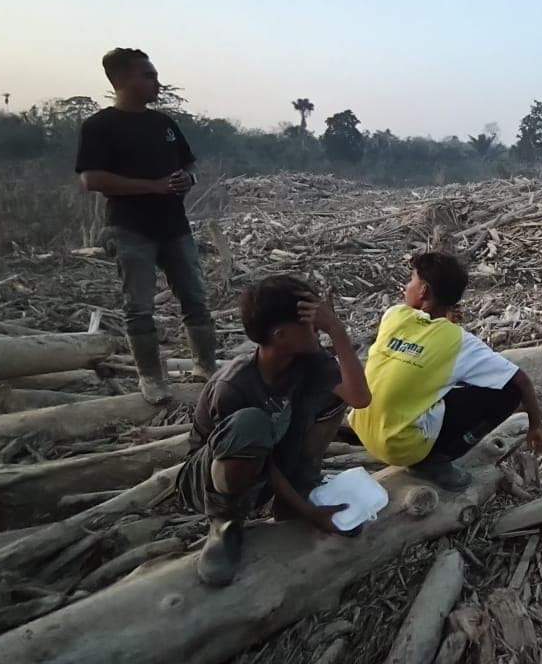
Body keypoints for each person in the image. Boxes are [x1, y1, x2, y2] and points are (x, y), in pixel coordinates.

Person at [177, 275, 372, 586]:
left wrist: (338, 332)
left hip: (272, 455)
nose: (319, 328)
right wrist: (307, 512)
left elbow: (359, 398)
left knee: (329, 395)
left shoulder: (308, 361)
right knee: (250, 423)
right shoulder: (234, 385)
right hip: (213, 479)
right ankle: (226, 524)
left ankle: (302, 482)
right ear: (281, 335)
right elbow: (261, 461)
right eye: (311, 324)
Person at [75, 48, 218, 404]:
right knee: (138, 307)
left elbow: (189, 166)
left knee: (196, 301)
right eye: (148, 75)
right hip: (130, 228)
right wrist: (151, 187)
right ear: (121, 80)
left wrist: (188, 180)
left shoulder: (164, 125)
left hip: (175, 226)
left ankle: (206, 367)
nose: (156, 82)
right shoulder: (100, 126)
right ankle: (151, 378)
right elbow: (91, 179)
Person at [350, 251, 542, 490]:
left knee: (435, 377)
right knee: (508, 391)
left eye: (410, 281)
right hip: (400, 448)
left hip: (363, 428)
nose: (407, 287)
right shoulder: (458, 342)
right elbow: (520, 379)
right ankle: (435, 460)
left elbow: (424, 335)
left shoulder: (393, 316)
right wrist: (536, 425)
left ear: (423, 291)